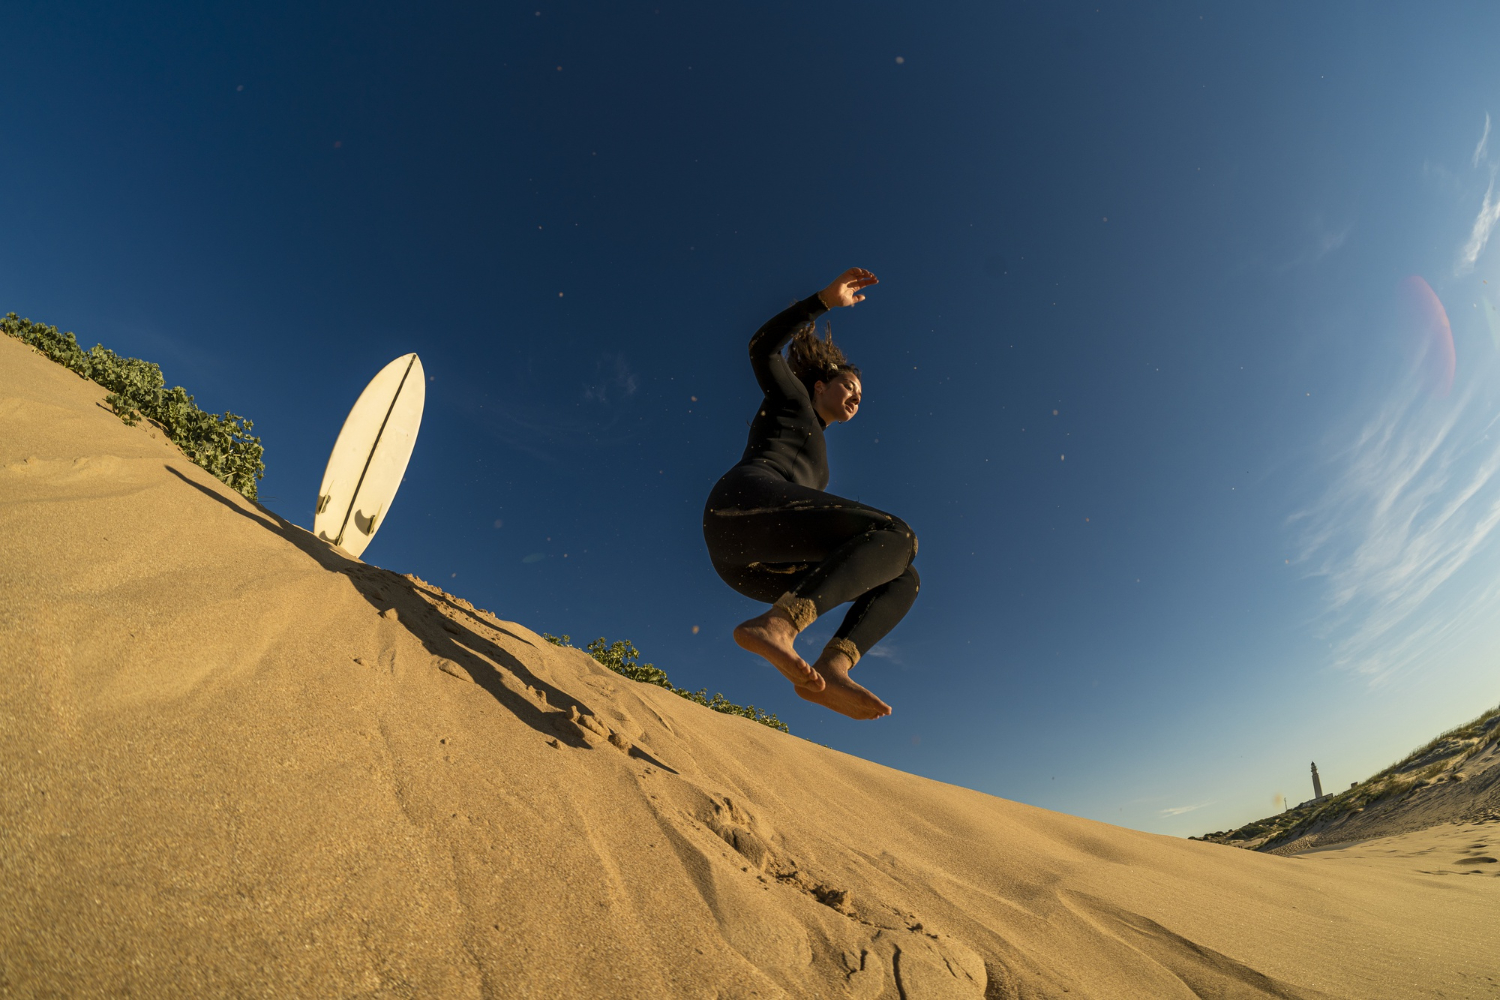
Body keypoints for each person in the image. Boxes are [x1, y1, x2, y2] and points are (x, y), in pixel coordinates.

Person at [702, 268, 918, 720]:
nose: (857, 398)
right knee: (897, 535)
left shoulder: (819, 456)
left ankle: (834, 666)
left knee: (901, 575)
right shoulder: (792, 400)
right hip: (738, 508)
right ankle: (778, 626)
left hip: (751, 566)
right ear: (820, 385)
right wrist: (821, 301)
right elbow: (760, 348)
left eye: (861, 395)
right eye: (849, 387)